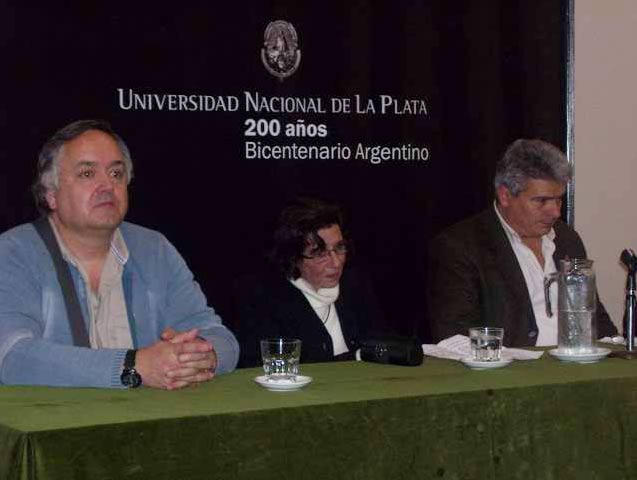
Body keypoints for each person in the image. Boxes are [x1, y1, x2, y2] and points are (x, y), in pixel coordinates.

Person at [0, 120, 239, 389]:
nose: (107, 185)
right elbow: (11, 356)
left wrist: (198, 357)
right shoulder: (14, 252)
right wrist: (133, 366)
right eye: (87, 174)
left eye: (116, 174)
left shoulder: (153, 249)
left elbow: (221, 339)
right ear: (51, 195)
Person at [428, 139, 617, 347]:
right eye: (541, 201)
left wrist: (618, 347)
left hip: (576, 365)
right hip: (507, 375)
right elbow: (454, 336)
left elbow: (595, 318)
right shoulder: (462, 246)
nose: (555, 212)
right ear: (505, 196)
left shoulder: (567, 239)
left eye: (559, 200)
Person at [234, 197, 386, 367]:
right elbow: (268, 365)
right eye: (320, 253)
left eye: (340, 248)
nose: (336, 262)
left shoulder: (355, 284)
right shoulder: (263, 298)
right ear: (293, 257)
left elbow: (381, 346)